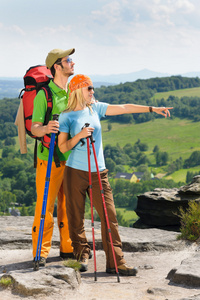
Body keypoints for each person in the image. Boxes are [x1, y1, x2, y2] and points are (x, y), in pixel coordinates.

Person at [58, 74, 173, 275]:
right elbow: (62, 146)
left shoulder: (96, 108)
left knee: (109, 217)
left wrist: (152, 109)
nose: (93, 92)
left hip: (98, 173)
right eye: (89, 88)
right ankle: (81, 254)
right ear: (77, 90)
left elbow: (125, 107)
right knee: (75, 217)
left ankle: (116, 262)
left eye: (93, 88)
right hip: (75, 171)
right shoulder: (66, 116)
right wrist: (79, 136)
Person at [31, 48, 75, 266]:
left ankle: (68, 248)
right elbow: (34, 128)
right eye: (69, 60)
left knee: (68, 205)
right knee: (45, 206)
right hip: (47, 159)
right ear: (57, 66)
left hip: (70, 158)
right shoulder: (44, 94)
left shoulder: (74, 92)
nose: (73, 63)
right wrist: (47, 127)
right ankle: (41, 252)